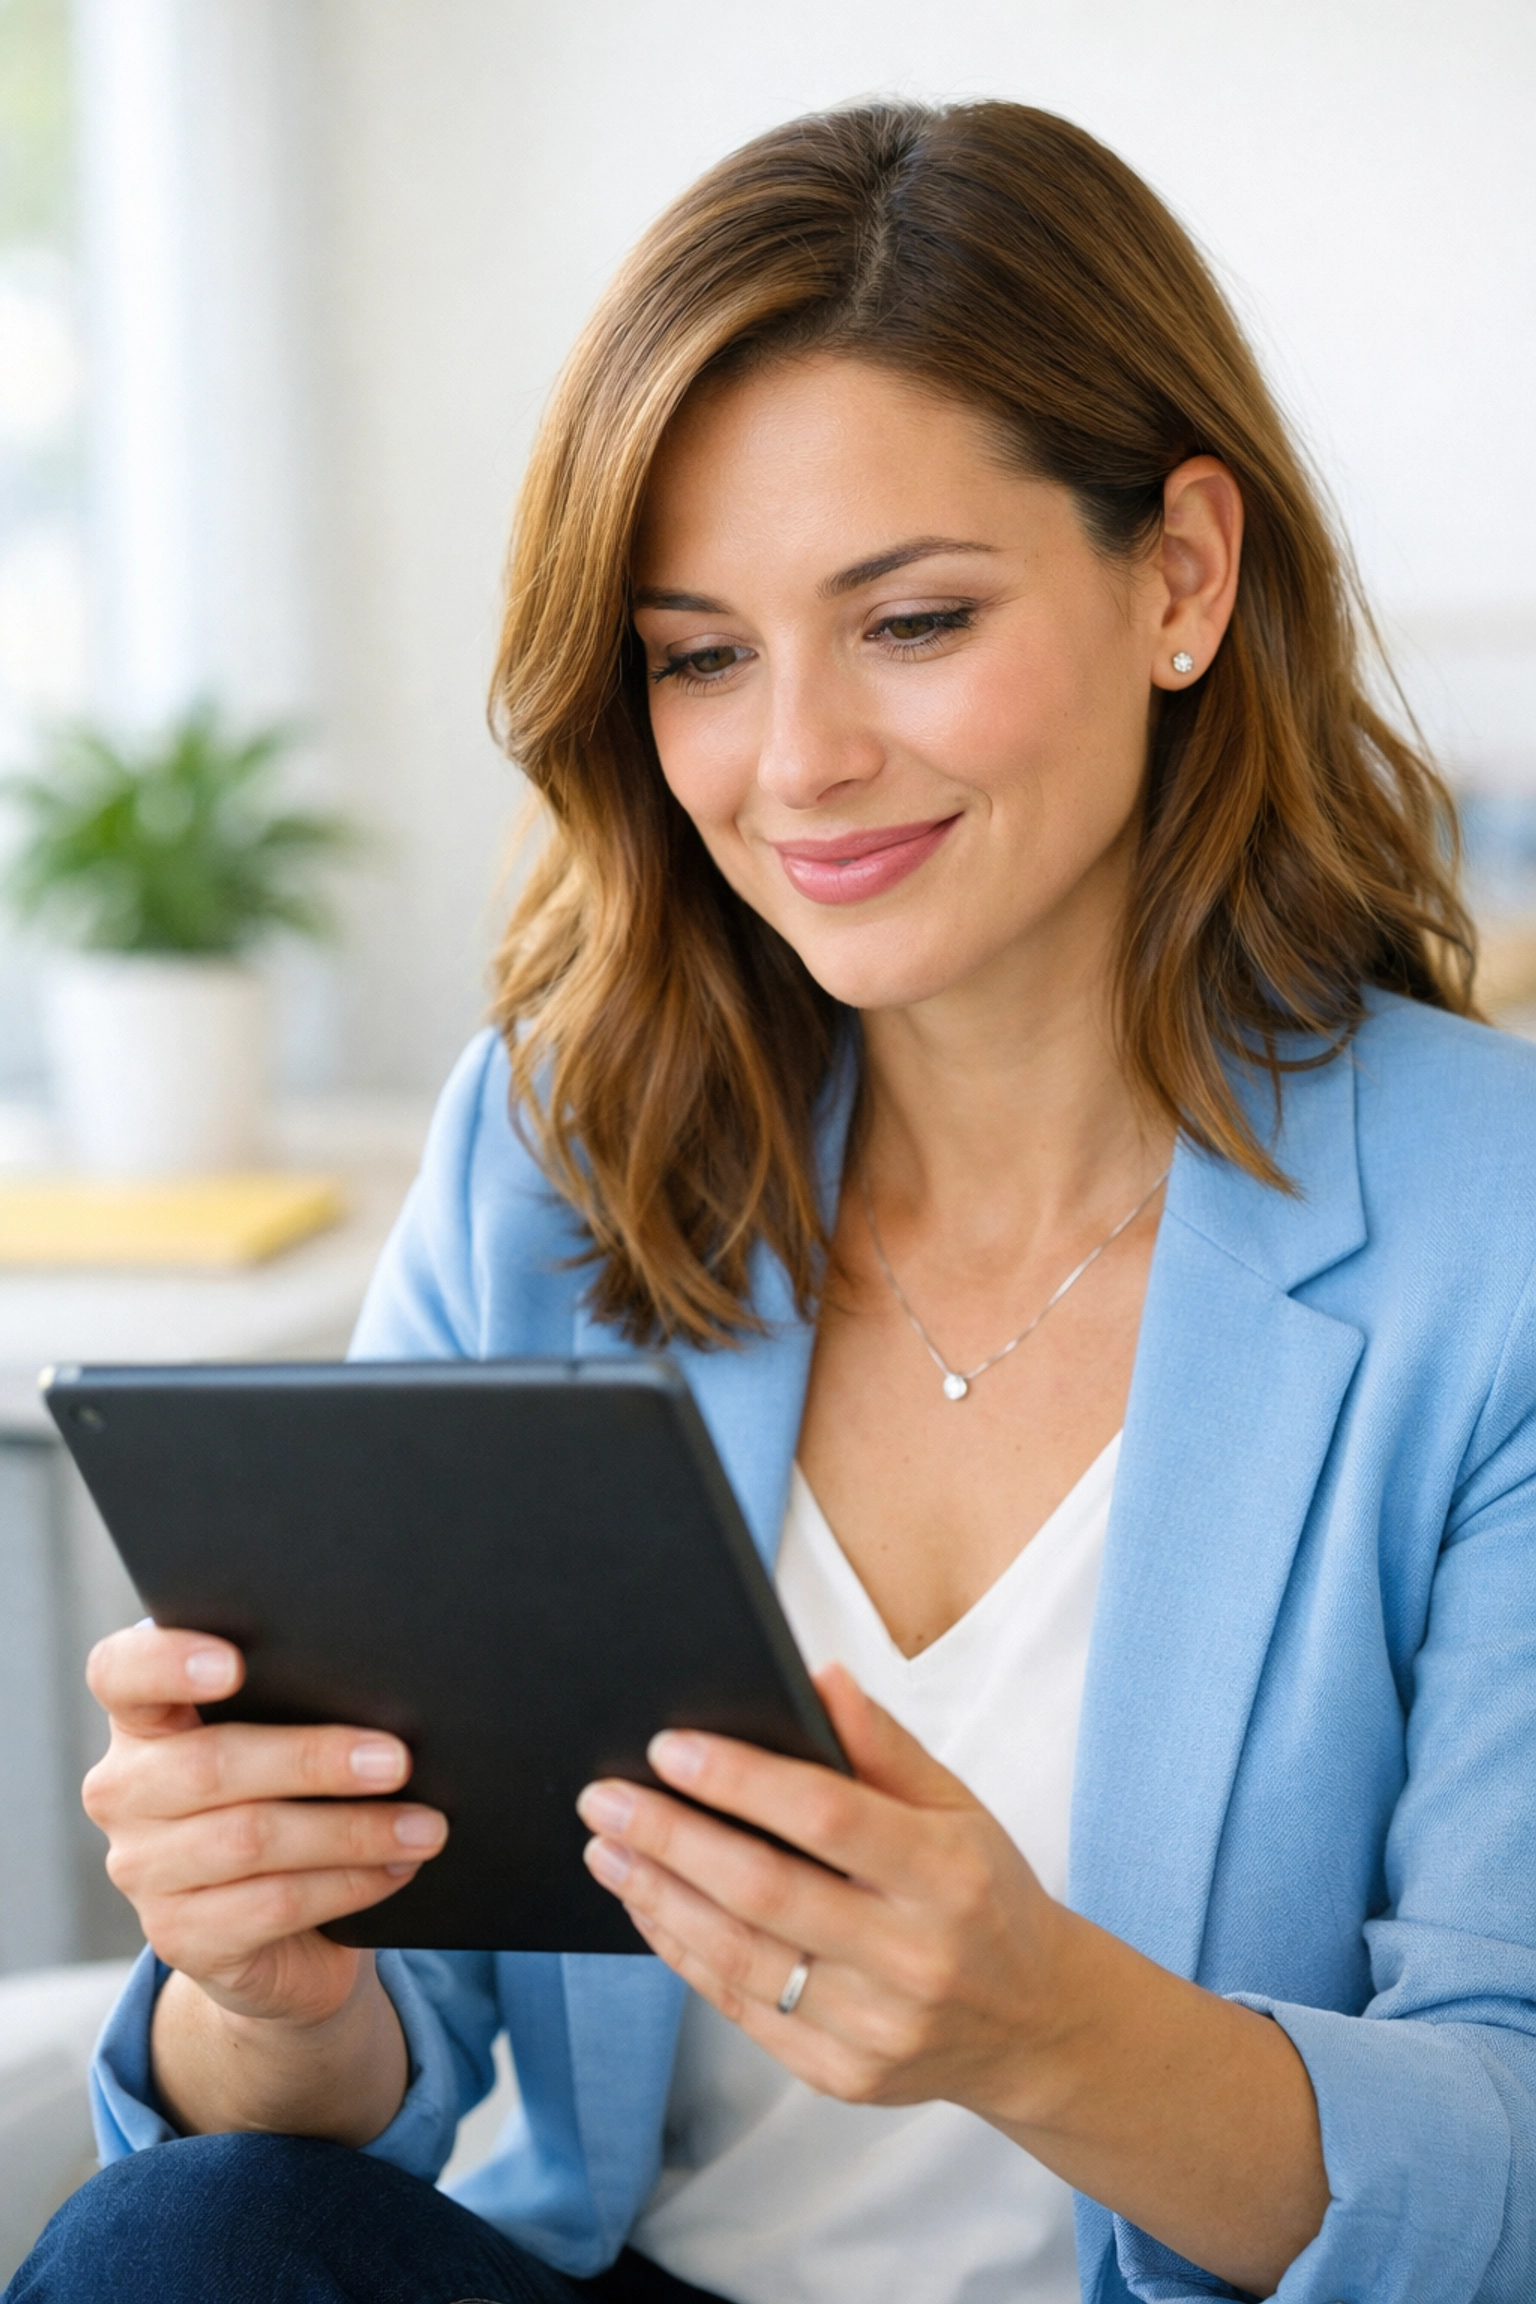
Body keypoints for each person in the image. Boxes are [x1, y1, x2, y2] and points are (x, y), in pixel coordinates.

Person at [9, 99, 1535, 2304]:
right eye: (701, 653)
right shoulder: (552, 1154)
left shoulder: (1491, 1237)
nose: (794, 760)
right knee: (190, 2233)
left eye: (909, 620)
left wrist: (1046, 2030)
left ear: (1183, 576)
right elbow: (393, 2075)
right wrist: (272, 1981)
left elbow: (1506, 2165)